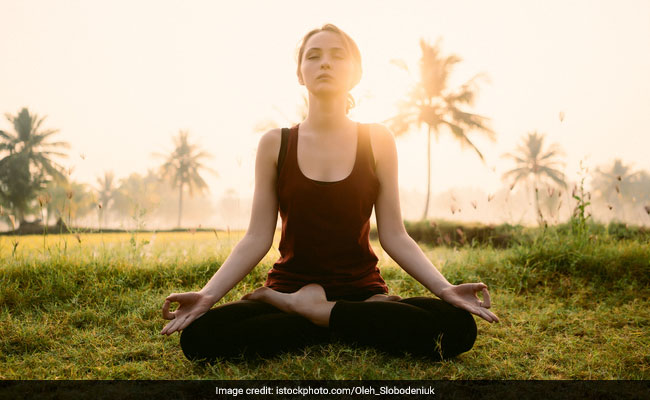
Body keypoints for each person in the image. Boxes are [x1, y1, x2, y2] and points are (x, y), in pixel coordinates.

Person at [160, 23, 499, 362]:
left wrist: (444, 289)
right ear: (300, 73)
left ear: (356, 73)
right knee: (200, 337)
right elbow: (256, 237)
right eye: (314, 56)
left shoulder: (377, 140)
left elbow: (395, 235)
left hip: (361, 292)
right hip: (291, 286)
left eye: (338, 56)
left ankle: (304, 312)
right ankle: (329, 316)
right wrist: (207, 296)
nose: (325, 63)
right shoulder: (275, 144)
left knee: (458, 327)